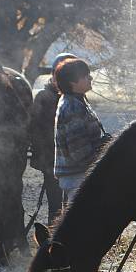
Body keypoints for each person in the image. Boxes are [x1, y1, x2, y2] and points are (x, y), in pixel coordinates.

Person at [29, 53, 76, 222]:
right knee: (56, 206)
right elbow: (36, 131)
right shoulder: (44, 97)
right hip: (53, 162)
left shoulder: (77, 98)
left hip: (74, 161)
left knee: (71, 205)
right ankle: (52, 241)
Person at [53, 58, 107, 202]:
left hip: (79, 176)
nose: (90, 77)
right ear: (72, 82)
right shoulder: (72, 107)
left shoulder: (78, 100)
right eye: (85, 75)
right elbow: (80, 153)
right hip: (78, 178)